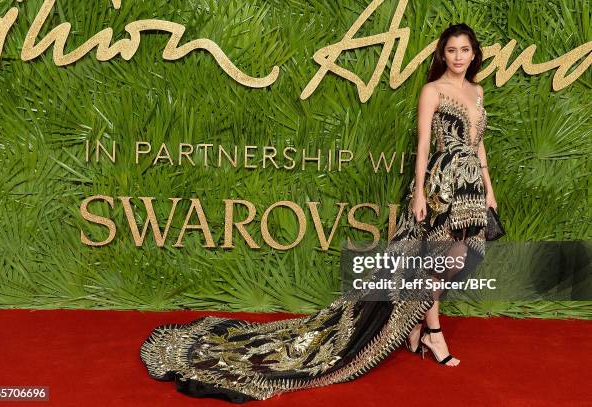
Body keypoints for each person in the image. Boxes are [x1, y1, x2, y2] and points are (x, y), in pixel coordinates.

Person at [139, 23, 497, 403]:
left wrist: (489, 190)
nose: (458, 57)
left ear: (474, 53)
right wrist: (419, 192)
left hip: (471, 191)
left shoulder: (476, 91)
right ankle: (433, 332)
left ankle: (417, 329)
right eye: (451, 50)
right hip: (441, 187)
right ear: (443, 54)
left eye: (464, 50)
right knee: (434, 261)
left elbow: (478, 145)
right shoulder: (433, 91)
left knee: (456, 259)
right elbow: (424, 143)